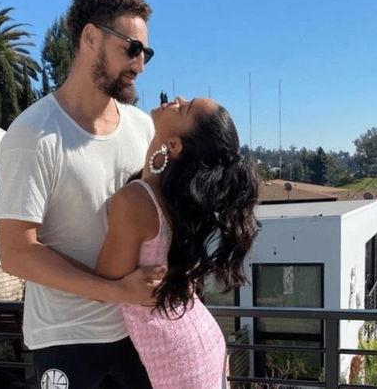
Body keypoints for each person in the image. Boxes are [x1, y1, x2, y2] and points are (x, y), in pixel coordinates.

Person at [0, 0, 161, 389]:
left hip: (136, 331)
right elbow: (16, 253)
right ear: (90, 37)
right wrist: (117, 291)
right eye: (131, 48)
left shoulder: (143, 128)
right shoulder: (33, 134)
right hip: (64, 340)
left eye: (146, 53)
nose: (140, 65)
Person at [94, 96, 260, 388]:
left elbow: (103, 285)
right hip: (197, 342)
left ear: (175, 145)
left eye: (184, 108)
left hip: (178, 359)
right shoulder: (175, 199)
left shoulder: (136, 200)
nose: (176, 100)